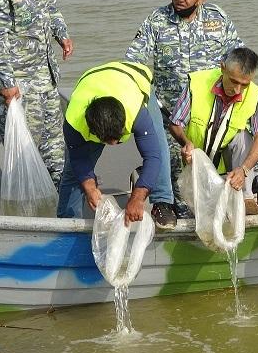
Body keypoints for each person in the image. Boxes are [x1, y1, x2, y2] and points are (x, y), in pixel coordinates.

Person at [125, 0, 244, 217]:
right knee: (175, 172)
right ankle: (175, 216)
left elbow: (238, 58)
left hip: (209, 112)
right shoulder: (157, 21)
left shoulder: (217, 19)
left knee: (210, 170)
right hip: (169, 114)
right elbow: (133, 60)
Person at [0, 0, 74, 188]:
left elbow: (51, 7)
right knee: (24, 158)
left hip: (46, 80)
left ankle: (59, 212)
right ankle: (27, 216)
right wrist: (7, 84)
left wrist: (61, 34)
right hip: (19, 87)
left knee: (56, 155)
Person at [57, 61, 177, 229]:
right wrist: (90, 187)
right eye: (108, 141)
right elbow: (79, 158)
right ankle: (67, 222)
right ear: (93, 131)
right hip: (91, 80)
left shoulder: (135, 111)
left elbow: (153, 156)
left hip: (134, 78)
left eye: (118, 138)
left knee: (159, 148)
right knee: (72, 172)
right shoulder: (74, 123)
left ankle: (162, 202)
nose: (115, 145)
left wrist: (137, 197)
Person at [169, 47, 258, 215]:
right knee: (201, 210)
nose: (237, 90)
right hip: (196, 160)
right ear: (222, 68)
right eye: (234, 81)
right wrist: (186, 143)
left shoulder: (257, 95)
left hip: (230, 166)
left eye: (244, 85)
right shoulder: (197, 83)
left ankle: (244, 197)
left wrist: (244, 170)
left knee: (243, 137)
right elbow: (175, 123)